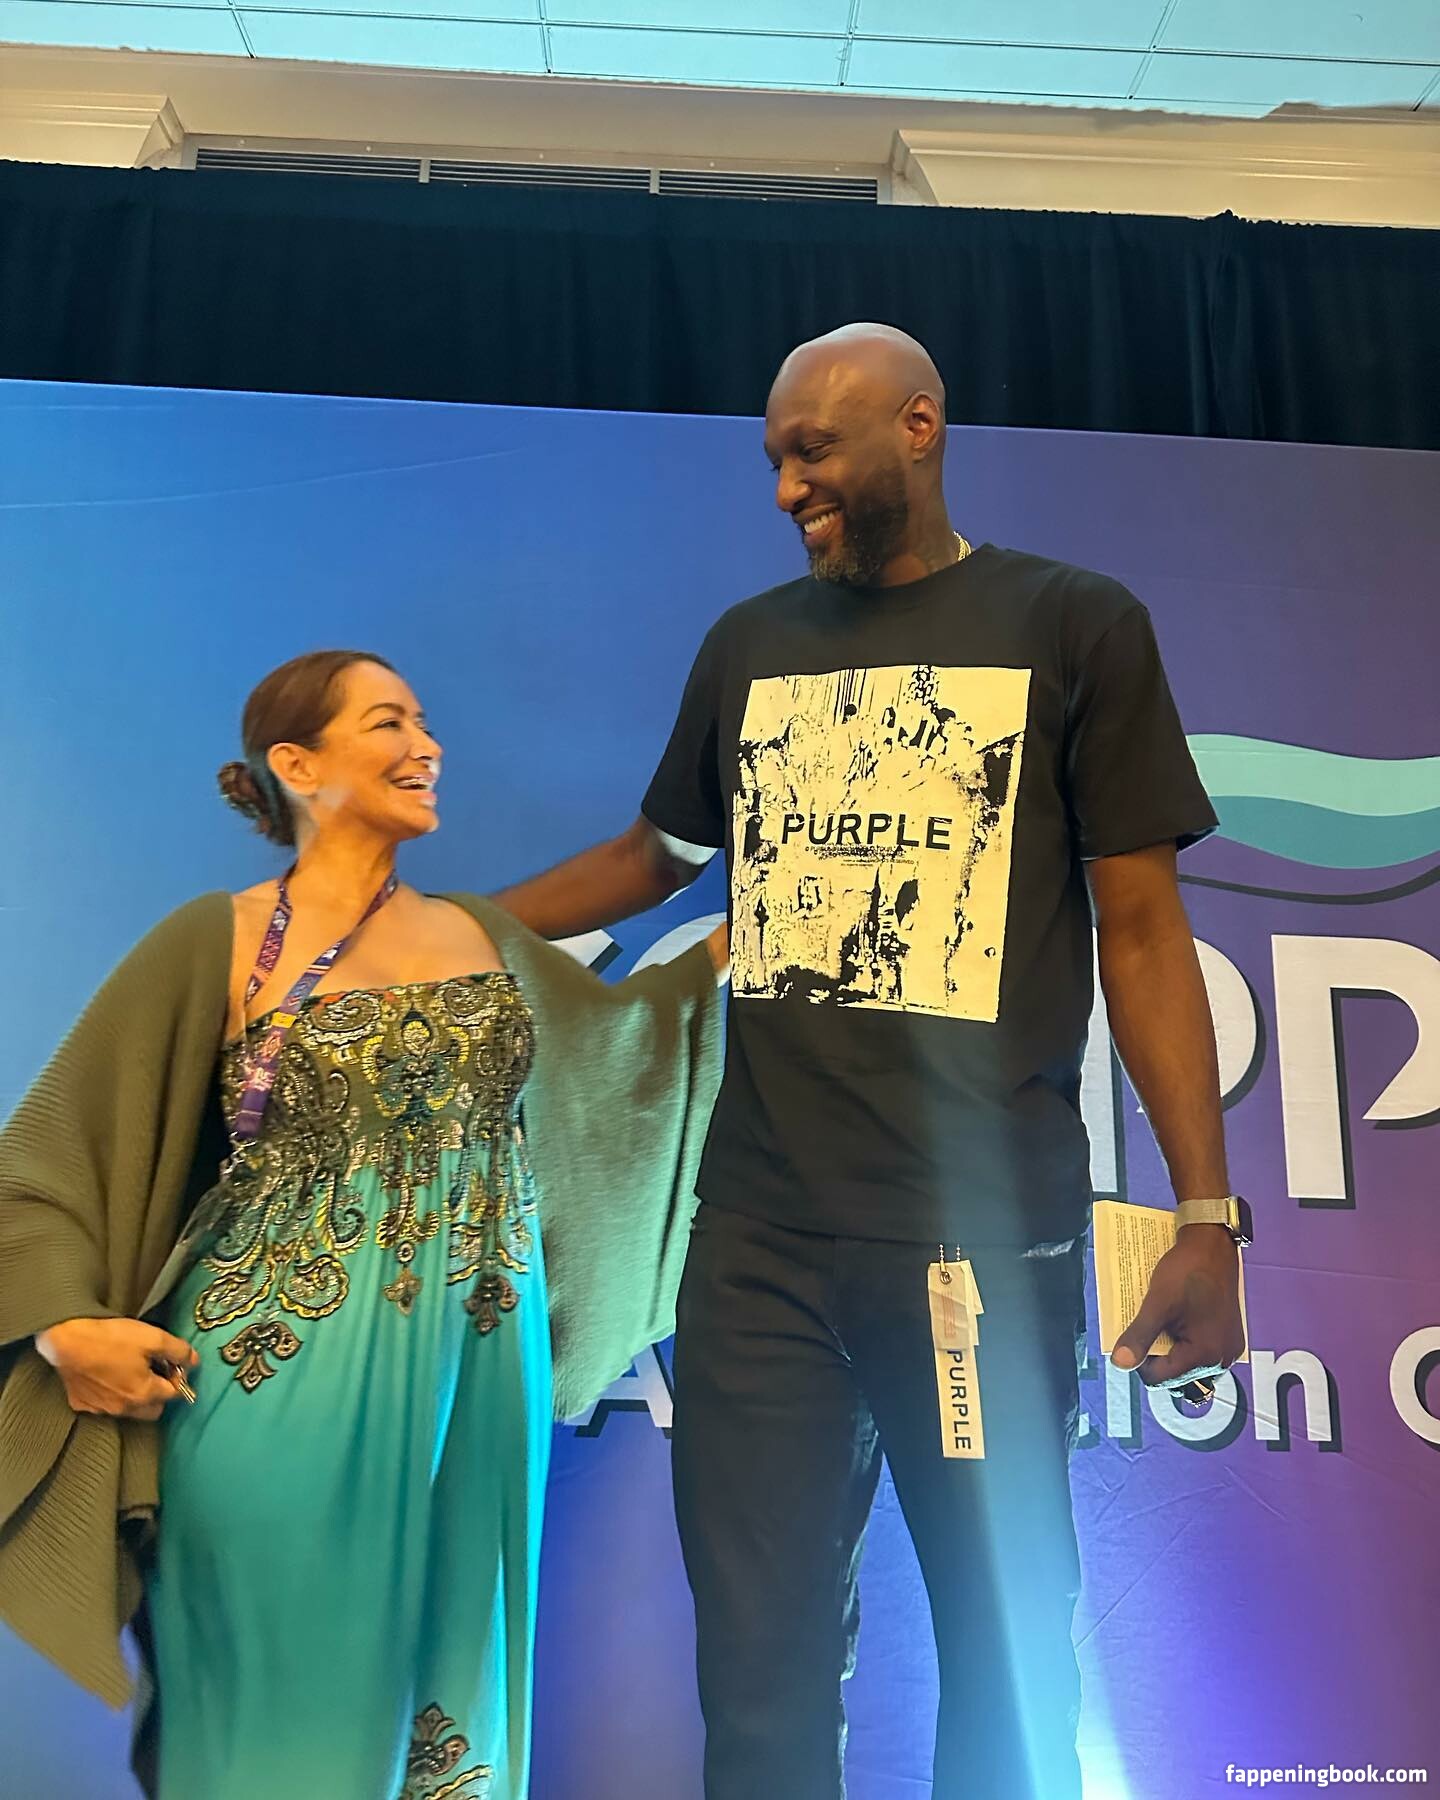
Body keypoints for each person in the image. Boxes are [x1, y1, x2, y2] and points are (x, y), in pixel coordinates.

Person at [494, 324, 1246, 1799]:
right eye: (775, 459)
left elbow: (1146, 931)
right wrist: (445, 929)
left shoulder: (1075, 624)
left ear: (919, 425)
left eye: (813, 450)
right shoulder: (750, 644)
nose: (787, 487)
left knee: (1009, 1657)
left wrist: (1208, 1215)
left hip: (980, 1249)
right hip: (758, 1248)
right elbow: (657, 856)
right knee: (758, 1671)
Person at [0, 648, 726, 1800]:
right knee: (288, 1740)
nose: (425, 744)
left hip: (476, 1392)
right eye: (387, 722)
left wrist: (781, 913)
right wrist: (63, 1329)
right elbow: (41, 1162)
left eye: (424, 722)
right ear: (297, 765)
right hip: (273, 1379)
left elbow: (642, 1046)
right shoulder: (218, 938)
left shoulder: (483, 937)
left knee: (451, 1723)